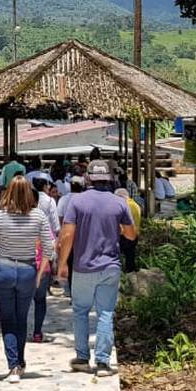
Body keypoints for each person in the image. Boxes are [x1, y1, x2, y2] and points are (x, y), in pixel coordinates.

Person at [58, 160, 137, 377]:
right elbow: (131, 234)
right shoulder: (119, 203)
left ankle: (82, 358)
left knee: (81, 312)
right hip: (110, 266)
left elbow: (67, 235)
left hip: (83, 268)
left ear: (88, 178)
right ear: (110, 179)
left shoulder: (76, 202)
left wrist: (63, 263)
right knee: (105, 313)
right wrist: (117, 228)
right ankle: (102, 363)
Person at [0, 176, 55, 383]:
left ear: (7, 191)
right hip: (28, 270)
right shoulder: (38, 216)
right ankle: (20, 362)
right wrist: (39, 274)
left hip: (3, 268)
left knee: (7, 319)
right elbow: (49, 249)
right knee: (22, 318)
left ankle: (13, 365)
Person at [31, 177, 61, 342]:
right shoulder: (48, 205)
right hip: (42, 264)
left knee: (21, 302)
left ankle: (19, 331)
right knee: (40, 300)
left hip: (22, 266)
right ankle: (37, 332)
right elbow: (55, 229)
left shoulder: (17, 219)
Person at [114, 188, 140, 272]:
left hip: (125, 235)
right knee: (130, 254)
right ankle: (131, 270)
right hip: (135, 234)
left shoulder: (125, 206)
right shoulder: (135, 204)